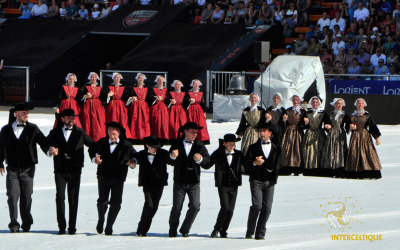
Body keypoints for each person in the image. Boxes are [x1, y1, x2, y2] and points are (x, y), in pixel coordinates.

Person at [0, 104, 47, 233]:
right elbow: (1, 147)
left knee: (26, 197)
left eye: (27, 113)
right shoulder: (5, 130)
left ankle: (26, 222)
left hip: (28, 169)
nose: (27, 115)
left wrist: (50, 150)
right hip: (12, 169)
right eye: (24, 112)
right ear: (16, 114)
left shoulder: (33, 128)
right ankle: (14, 224)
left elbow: (44, 142)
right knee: (12, 196)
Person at [46, 109, 94, 235]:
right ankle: (61, 227)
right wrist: (50, 150)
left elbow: (92, 145)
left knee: (73, 199)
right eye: (68, 117)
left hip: (75, 169)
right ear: (62, 119)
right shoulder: (55, 132)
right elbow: (45, 143)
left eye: (73, 117)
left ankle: (72, 227)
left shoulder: (80, 132)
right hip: (60, 169)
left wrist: (96, 156)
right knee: (60, 197)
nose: (71, 119)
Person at [89, 122, 137, 235]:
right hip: (103, 176)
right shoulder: (101, 142)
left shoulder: (126, 145)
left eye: (114, 134)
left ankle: (109, 225)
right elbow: (91, 150)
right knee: (102, 201)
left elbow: (135, 156)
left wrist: (132, 162)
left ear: (119, 133)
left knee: (116, 203)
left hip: (118, 178)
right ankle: (101, 219)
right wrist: (94, 159)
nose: (112, 136)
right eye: (110, 133)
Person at [168, 122, 210, 237]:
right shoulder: (176, 143)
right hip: (179, 181)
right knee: (176, 208)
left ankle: (185, 228)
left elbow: (208, 162)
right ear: (185, 131)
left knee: (195, 206)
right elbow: (169, 160)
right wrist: (172, 156)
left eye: (196, 132)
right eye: (192, 131)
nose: (195, 134)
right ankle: (172, 229)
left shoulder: (199, 145)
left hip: (194, 182)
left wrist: (200, 159)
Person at [245, 123, 281, 240]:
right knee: (257, 206)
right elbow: (246, 165)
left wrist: (274, 179)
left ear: (270, 133)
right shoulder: (253, 147)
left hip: (270, 182)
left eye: (264, 131)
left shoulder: (276, 148)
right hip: (256, 180)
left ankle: (260, 232)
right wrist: (254, 163)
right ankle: (250, 231)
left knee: (267, 208)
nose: (261, 133)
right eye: (260, 131)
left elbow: (278, 164)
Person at [135, 135, 172, 237]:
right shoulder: (142, 154)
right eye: (151, 147)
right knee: (149, 205)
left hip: (159, 183)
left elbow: (172, 161)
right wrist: (132, 162)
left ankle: (143, 230)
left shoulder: (163, 153)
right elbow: (134, 158)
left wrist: (173, 156)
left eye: (156, 148)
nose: (153, 150)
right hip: (146, 183)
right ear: (147, 145)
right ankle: (141, 227)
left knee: (154, 207)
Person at [209, 134, 243, 239]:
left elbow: (247, 165)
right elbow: (208, 163)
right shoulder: (218, 153)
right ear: (224, 144)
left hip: (234, 185)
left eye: (233, 144)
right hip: (222, 185)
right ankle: (216, 229)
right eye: (230, 144)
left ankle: (224, 230)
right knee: (225, 207)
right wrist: (199, 160)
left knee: (230, 210)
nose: (232, 146)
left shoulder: (238, 154)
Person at [345, 98, 382, 179]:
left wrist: (377, 137)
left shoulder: (367, 115)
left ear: (364, 105)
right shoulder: (352, 115)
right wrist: (350, 127)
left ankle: (370, 172)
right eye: (358, 103)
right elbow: (347, 126)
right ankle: (355, 173)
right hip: (355, 137)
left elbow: (372, 127)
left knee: (368, 153)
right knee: (355, 153)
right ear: (356, 104)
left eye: (361, 103)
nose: (360, 105)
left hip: (365, 137)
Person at [302, 96, 332, 176]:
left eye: (316, 102)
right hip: (309, 133)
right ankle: (308, 169)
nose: (315, 104)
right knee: (308, 151)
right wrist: (305, 123)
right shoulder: (307, 113)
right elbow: (303, 125)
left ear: (319, 103)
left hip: (319, 134)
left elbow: (328, 122)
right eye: (313, 102)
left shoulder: (323, 113)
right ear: (311, 103)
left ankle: (319, 169)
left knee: (319, 150)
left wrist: (327, 126)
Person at [321, 98, 350, 178]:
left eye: (340, 103)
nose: (339, 105)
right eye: (337, 103)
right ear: (334, 105)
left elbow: (348, 123)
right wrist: (327, 126)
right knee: (330, 150)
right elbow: (326, 123)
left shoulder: (345, 114)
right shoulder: (330, 114)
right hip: (331, 134)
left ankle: (340, 169)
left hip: (340, 134)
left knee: (340, 151)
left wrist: (349, 127)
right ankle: (330, 169)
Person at [280, 95, 306, 175]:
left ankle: (297, 167)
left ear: (299, 101)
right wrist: (284, 121)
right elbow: (283, 122)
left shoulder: (303, 111)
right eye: (294, 100)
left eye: (297, 100)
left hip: (298, 131)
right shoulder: (287, 110)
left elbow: (304, 123)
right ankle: (287, 167)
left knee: (297, 148)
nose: (295, 101)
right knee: (287, 148)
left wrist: (304, 123)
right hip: (289, 131)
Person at [80, 72, 106, 142]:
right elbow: (80, 95)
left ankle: (98, 136)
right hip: (88, 105)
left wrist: (108, 95)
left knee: (98, 121)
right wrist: (85, 96)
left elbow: (103, 97)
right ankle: (88, 137)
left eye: (95, 77)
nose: (94, 78)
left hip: (98, 106)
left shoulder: (99, 87)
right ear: (89, 78)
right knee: (88, 120)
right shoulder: (85, 86)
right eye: (92, 77)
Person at [104, 72, 132, 138]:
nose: (117, 79)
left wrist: (130, 98)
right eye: (116, 77)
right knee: (113, 119)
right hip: (112, 106)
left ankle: (122, 135)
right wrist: (108, 95)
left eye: (118, 77)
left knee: (122, 120)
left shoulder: (124, 88)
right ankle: (112, 135)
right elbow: (105, 99)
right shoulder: (109, 87)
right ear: (113, 78)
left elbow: (126, 98)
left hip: (121, 106)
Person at [127, 73, 151, 143]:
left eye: (142, 78)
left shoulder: (147, 89)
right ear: (137, 79)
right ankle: (135, 137)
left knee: (144, 122)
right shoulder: (133, 89)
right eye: (139, 78)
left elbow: (149, 98)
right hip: (135, 107)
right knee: (135, 121)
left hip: (144, 107)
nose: (141, 79)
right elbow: (128, 97)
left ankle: (144, 137)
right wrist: (132, 98)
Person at [185, 79, 210, 144]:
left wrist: (204, 112)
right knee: (191, 123)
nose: (196, 85)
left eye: (197, 84)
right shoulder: (188, 93)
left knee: (201, 124)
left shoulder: (201, 93)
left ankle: (202, 138)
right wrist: (189, 101)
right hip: (191, 110)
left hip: (199, 111)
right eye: (194, 84)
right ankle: (191, 137)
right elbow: (185, 102)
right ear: (192, 85)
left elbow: (203, 103)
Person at [149, 75, 169, 142]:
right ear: (156, 81)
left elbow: (167, 100)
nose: (160, 81)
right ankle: (155, 137)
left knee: (163, 122)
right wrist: (155, 98)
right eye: (159, 80)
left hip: (163, 108)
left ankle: (163, 137)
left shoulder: (166, 90)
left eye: (161, 80)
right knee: (155, 122)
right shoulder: (153, 89)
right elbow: (149, 98)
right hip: (155, 108)